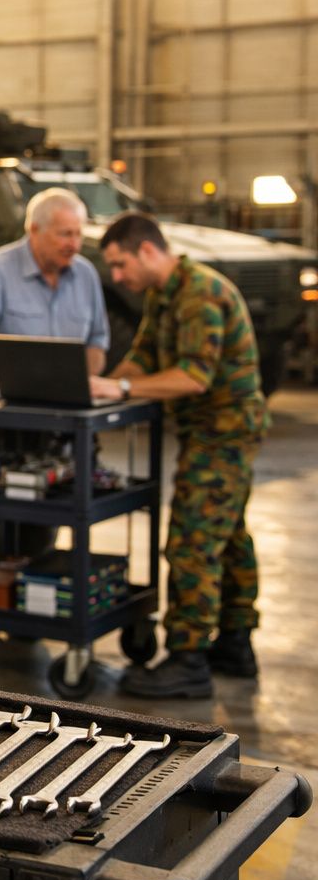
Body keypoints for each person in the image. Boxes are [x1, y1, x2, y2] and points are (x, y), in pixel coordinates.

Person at [90, 212, 269, 698]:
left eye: (121, 264)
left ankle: (188, 659)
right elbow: (143, 357)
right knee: (227, 537)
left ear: (148, 250)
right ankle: (234, 644)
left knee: (191, 541)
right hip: (210, 431)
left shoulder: (200, 294)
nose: (118, 277)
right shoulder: (165, 296)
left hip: (223, 433)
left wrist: (122, 386)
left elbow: (193, 376)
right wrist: (101, 390)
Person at [0, 187, 110, 557]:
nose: (74, 243)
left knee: (46, 515)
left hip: (58, 418)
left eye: (78, 234)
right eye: (65, 234)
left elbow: (97, 342)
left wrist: (84, 385)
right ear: (34, 230)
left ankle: (36, 590)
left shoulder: (85, 275)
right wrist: (25, 366)